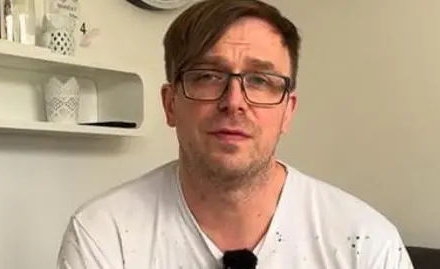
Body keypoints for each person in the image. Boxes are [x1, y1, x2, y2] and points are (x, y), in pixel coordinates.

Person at [56, 0, 414, 268]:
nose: (234, 102)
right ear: (170, 105)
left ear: (287, 110)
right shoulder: (104, 237)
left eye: (260, 80)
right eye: (208, 75)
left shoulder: (365, 244)